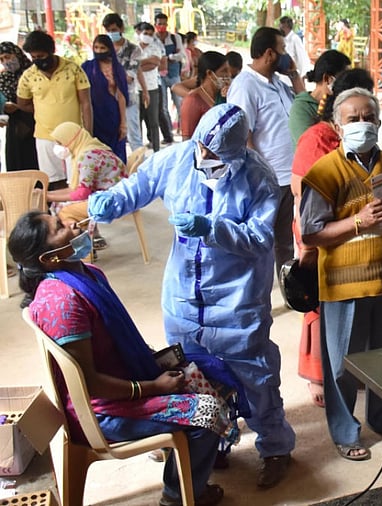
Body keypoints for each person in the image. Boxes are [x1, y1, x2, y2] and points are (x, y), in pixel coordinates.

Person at [87, 104, 296, 488]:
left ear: (235, 152)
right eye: (201, 145)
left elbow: (261, 238)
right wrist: (111, 201)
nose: (203, 156)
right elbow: (140, 184)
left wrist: (211, 228)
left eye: (213, 153)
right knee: (193, 378)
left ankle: (276, 447)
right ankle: (211, 443)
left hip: (236, 303)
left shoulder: (258, 178)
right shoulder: (178, 158)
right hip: (183, 299)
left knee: (256, 379)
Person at [9, 211, 227, 506]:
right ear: (49, 259)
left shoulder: (89, 275)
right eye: (59, 228)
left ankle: (191, 461)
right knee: (207, 411)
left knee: (213, 374)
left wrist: (153, 365)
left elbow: (116, 340)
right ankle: (178, 496)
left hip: (121, 387)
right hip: (102, 412)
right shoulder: (62, 301)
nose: (72, 223)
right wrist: (153, 387)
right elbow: (90, 383)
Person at [299, 87, 382, 462]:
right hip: (342, 286)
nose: (362, 125)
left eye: (369, 118)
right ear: (337, 124)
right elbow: (312, 233)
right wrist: (357, 221)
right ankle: (345, 430)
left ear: (379, 123)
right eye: (353, 119)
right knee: (341, 366)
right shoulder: (324, 173)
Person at [290, 68, 374, 410]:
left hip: (355, 231)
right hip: (319, 231)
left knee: (351, 306)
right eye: (355, 112)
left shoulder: (365, 140)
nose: (363, 118)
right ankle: (317, 375)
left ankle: (349, 367)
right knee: (318, 305)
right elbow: (301, 189)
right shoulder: (316, 138)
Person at [228, 26, 304, 271]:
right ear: (269, 54)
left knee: (284, 242)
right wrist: (258, 175)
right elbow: (243, 136)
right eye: (282, 50)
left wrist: (293, 74)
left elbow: (304, 106)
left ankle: (287, 289)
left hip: (288, 176)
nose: (286, 55)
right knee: (261, 241)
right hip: (267, 178)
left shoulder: (279, 84)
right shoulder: (245, 86)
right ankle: (258, 293)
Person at [18, 30, 92, 191]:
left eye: (41, 56)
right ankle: (59, 213)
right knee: (53, 180)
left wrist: (88, 133)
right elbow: (22, 103)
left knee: (77, 180)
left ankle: (76, 213)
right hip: (45, 136)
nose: (38, 61)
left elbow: (86, 103)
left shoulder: (74, 69)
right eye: (34, 58)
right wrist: (42, 111)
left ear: (51, 51)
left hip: (74, 135)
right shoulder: (28, 76)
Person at [47, 122, 126, 231]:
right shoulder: (89, 148)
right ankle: (85, 238)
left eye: (60, 143)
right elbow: (75, 189)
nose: (58, 147)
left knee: (64, 212)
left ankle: (80, 242)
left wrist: (48, 197)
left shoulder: (87, 157)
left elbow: (82, 193)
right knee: (58, 204)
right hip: (113, 194)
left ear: (71, 139)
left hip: (112, 200)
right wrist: (48, 194)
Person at [103, 13, 150, 154]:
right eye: (109, 31)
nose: (112, 33)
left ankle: (140, 167)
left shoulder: (133, 49)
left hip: (128, 97)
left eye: (114, 30)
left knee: (133, 135)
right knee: (112, 135)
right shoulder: (104, 48)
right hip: (108, 98)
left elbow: (130, 76)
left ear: (121, 28)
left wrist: (145, 91)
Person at [288, 49, 350, 144]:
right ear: (327, 79)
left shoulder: (339, 104)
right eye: (344, 79)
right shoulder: (301, 109)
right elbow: (311, 146)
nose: (347, 85)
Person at [82, 34, 128, 163]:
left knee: (115, 152)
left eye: (102, 48)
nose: (99, 51)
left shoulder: (116, 68)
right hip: (93, 114)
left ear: (109, 49)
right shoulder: (87, 67)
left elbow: (121, 95)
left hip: (112, 115)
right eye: (96, 48)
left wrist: (123, 123)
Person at [0, 42, 38, 171]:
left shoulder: (33, 72)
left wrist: (19, 106)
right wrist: (4, 106)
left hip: (35, 123)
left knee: (34, 161)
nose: (6, 61)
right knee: (16, 164)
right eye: (1, 59)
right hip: (14, 127)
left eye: (8, 56)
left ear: (17, 54)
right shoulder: (3, 77)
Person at [179, 51, 228, 138]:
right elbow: (187, 139)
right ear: (209, 73)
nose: (228, 75)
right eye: (224, 71)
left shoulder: (224, 96)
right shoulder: (192, 100)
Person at [154, 12, 184, 142]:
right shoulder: (153, 39)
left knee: (179, 103)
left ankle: (184, 130)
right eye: (159, 24)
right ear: (155, 24)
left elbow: (181, 54)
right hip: (159, 76)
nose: (162, 26)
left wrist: (169, 57)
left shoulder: (174, 37)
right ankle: (169, 134)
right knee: (163, 106)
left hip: (173, 74)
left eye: (164, 24)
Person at [135, 22, 164, 152]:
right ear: (138, 32)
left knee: (153, 121)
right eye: (145, 33)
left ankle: (156, 150)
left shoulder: (155, 47)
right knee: (137, 121)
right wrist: (148, 60)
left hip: (152, 88)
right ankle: (139, 151)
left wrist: (137, 64)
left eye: (151, 34)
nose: (148, 36)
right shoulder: (133, 48)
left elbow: (156, 63)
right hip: (136, 89)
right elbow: (130, 66)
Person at [280, 16, 311, 85]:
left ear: (285, 26)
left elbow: (302, 58)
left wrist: (302, 77)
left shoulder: (295, 39)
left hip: (293, 81)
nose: (279, 27)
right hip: (283, 80)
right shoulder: (283, 39)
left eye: (281, 26)